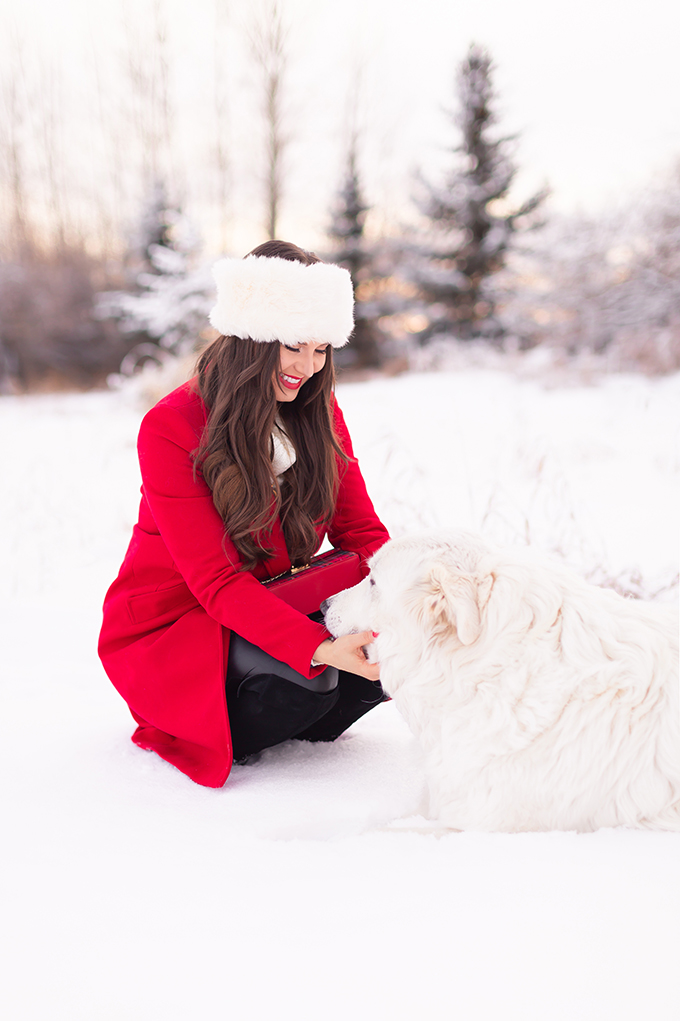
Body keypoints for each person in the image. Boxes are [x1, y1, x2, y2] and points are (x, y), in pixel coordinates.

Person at [98, 240, 390, 787]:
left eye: (322, 349)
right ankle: (241, 714)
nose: (308, 367)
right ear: (252, 338)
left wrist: (413, 599)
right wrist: (319, 645)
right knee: (313, 677)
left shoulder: (318, 412)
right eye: (293, 346)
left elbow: (363, 534)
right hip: (180, 627)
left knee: (392, 648)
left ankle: (292, 711)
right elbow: (214, 579)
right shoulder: (172, 427)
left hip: (271, 601)